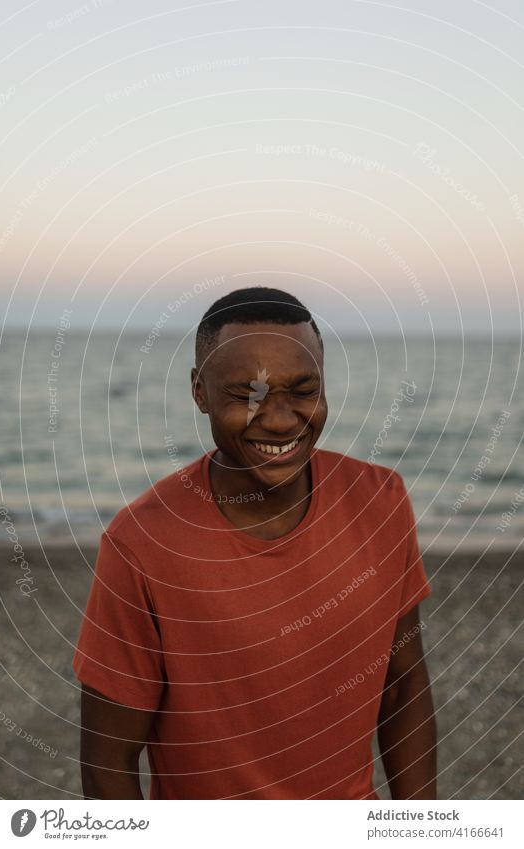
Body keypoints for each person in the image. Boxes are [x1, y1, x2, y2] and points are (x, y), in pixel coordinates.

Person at [73, 286, 436, 800]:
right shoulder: (142, 543)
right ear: (200, 392)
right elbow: (108, 763)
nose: (281, 418)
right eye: (248, 395)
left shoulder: (382, 501)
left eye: (304, 389)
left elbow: (402, 685)